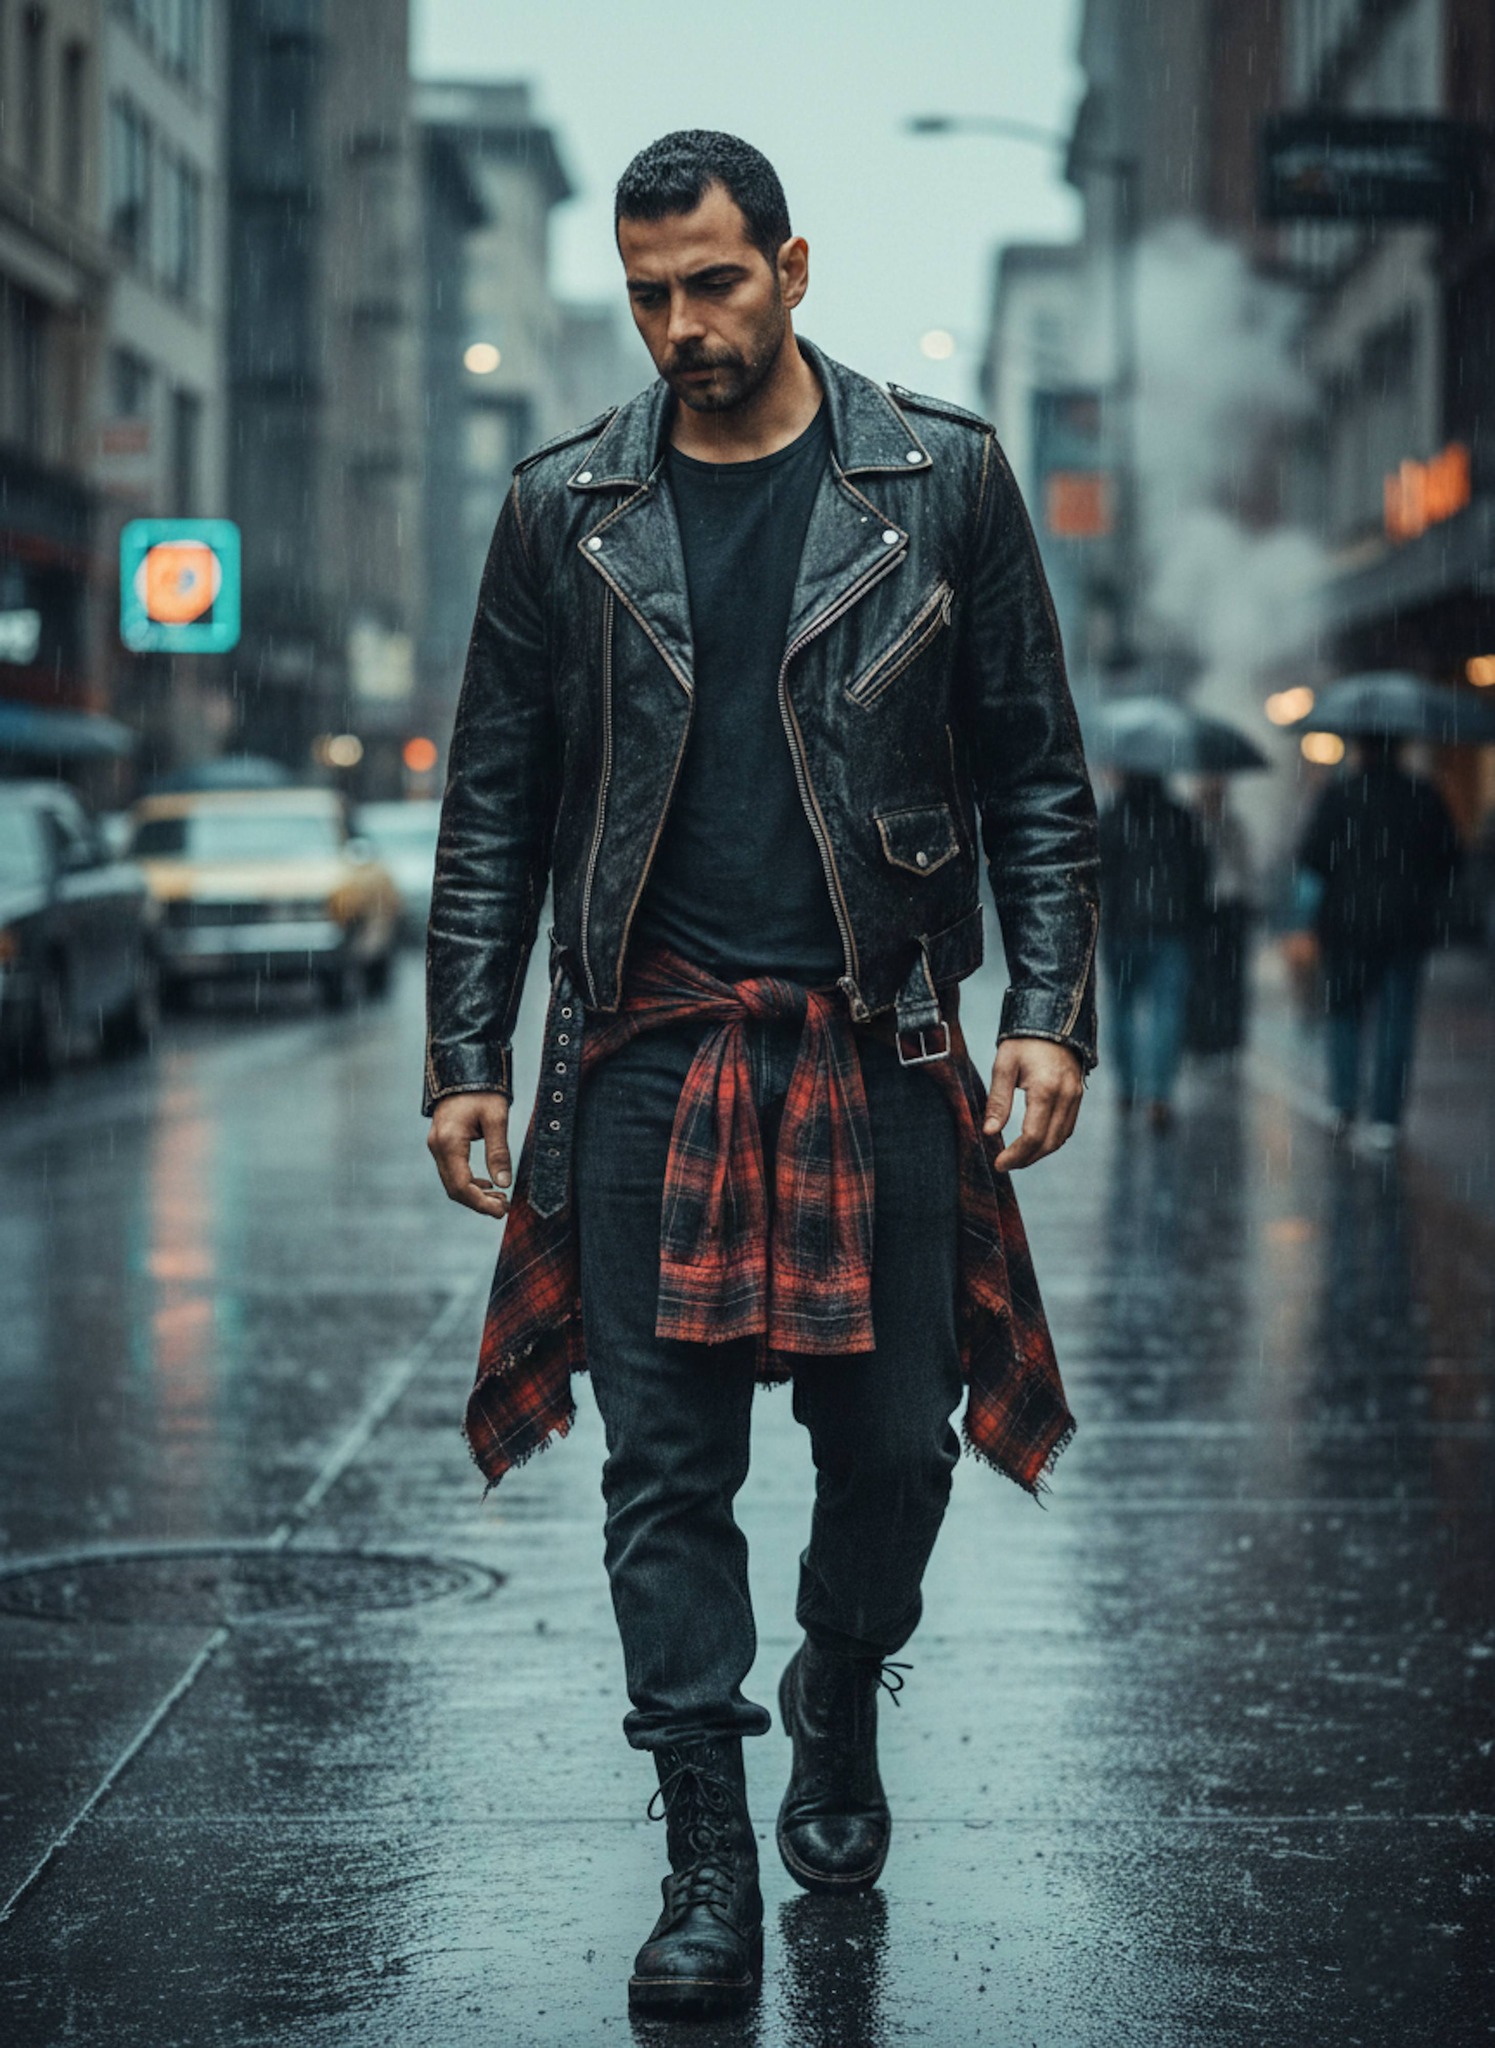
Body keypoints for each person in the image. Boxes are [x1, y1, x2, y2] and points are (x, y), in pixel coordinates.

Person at [423, 131, 1099, 2020]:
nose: (682, 325)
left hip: (876, 1045)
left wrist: (1047, 1006)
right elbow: (493, 799)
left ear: (792, 266)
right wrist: (463, 1051)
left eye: (714, 282)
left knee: (892, 1444)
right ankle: (705, 1850)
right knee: (664, 1470)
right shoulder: (565, 510)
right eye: (650, 293)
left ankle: (835, 1681)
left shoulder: (937, 480)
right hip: (643, 1053)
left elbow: (1034, 766)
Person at [1297, 735, 1461, 1149]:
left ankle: (1343, 1101)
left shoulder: (1339, 795)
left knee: (1345, 1015)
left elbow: (1311, 855)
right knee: (1396, 1021)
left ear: (1360, 749)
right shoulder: (1423, 795)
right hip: (1405, 926)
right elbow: (1450, 857)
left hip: (1347, 926)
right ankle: (1386, 1116)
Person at [1098, 769, 1209, 1129]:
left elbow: (1097, 872)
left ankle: (1127, 1089)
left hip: (1122, 930)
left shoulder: (1113, 817)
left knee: (1122, 1007)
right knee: (1167, 1011)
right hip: (1170, 930)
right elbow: (1200, 875)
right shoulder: (1181, 817)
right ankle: (1160, 1095)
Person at [1187, 775, 1256, 1058]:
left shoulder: (1233, 826)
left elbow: (1242, 866)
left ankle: (1225, 1034)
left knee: (1229, 976)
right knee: (1204, 975)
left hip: (1229, 907)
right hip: (1204, 908)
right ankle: (1203, 1034)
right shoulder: (1193, 824)